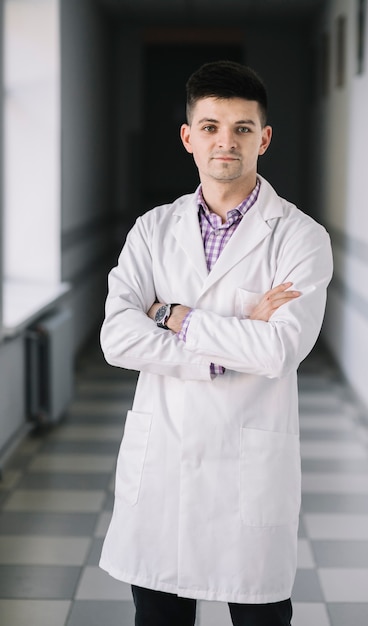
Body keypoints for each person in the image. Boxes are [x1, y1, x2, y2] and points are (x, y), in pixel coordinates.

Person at [99, 60, 333, 626]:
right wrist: (231, 342)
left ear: (264, 138)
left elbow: (280, 351)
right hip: (164, 468)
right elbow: (115, 338)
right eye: (210, 127)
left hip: (245, 472)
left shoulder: (301, 237)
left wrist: (172, 313)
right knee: (157, 616)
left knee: (260, 617)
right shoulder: (152, 230)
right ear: (188, 137)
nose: (225, 142)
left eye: (242, 128)